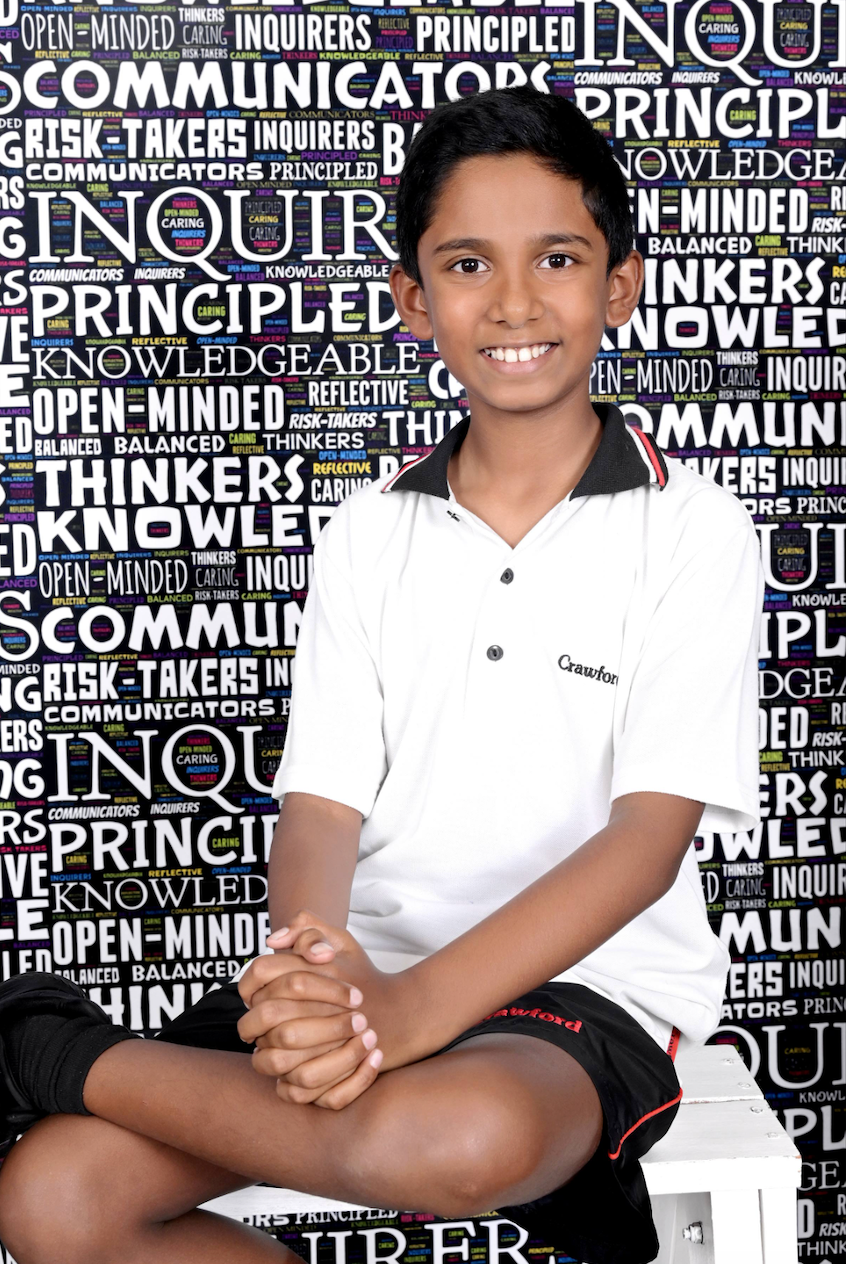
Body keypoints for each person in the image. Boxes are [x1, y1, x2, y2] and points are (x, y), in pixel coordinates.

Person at [0, 86, 763, 1264]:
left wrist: (407, 1018)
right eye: (466, 263)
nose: (514, 302)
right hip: (370, 976)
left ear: (617, 285)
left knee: (454, 1139)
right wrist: (325, 964)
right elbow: (322, 806)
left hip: (583, 988)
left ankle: (52, 1047)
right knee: (55, 1195)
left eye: (556, 257)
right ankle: (86, 1057)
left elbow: (643, 844)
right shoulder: (368, 533)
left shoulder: (694, 529)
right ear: (415, 298)